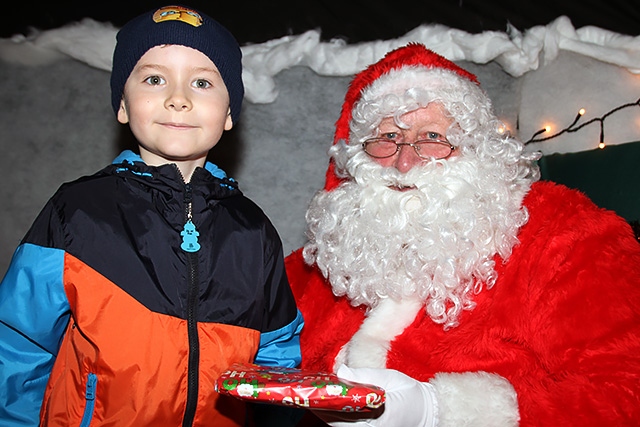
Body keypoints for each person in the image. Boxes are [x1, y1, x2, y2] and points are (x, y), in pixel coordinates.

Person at [285, 43, 640, 426]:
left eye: (433, 137)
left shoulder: (567, 234)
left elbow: (624, 392)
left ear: (476, 149)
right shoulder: (338, 250)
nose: (405, 163)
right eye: (387, 137)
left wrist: (440, 411)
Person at [0, 5, 303, 426]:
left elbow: (276, 358)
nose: (178, 98)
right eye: (155, 78)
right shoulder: (77, 212)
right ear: (123, 105)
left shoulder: (254, 231)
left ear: (230, 112)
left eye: (201, 82)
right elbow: (18, 342)